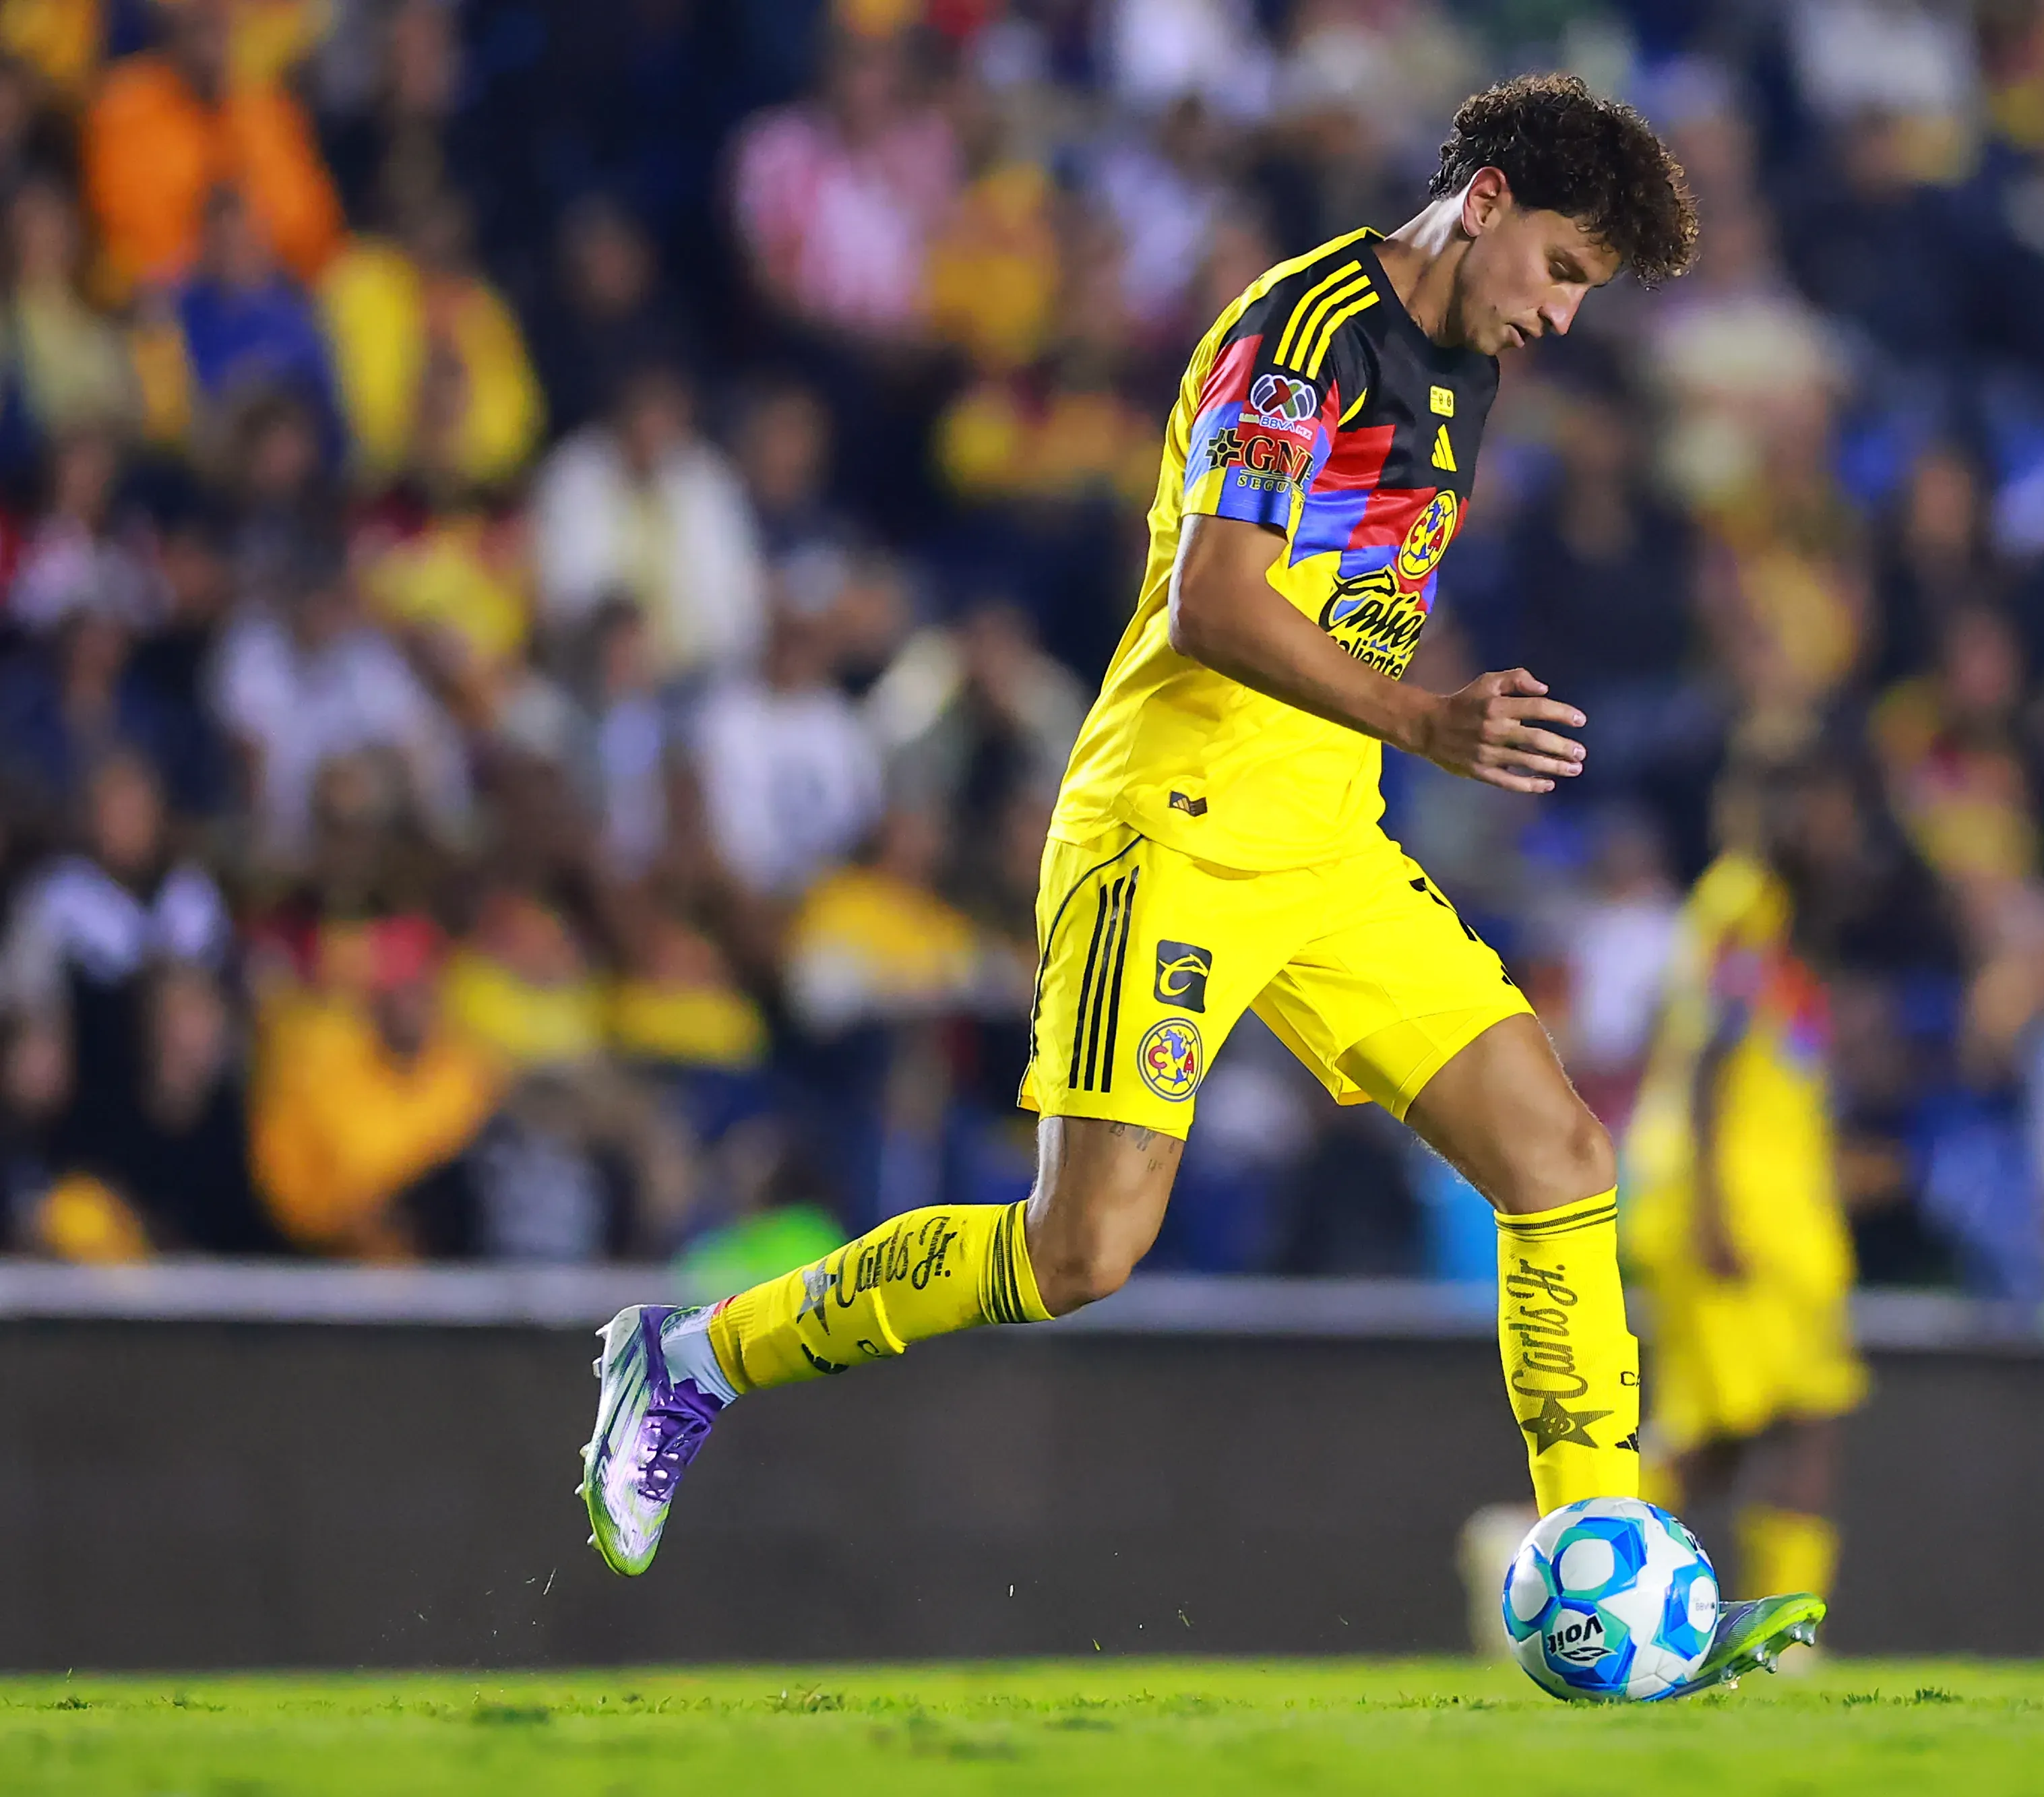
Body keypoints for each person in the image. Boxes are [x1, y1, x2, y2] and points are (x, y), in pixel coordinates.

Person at [578, 73, 1818, 1691]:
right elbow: (1212, 601)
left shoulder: (1462, 366)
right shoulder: (1298, 333)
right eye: (1568, 271)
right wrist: (1426, 717)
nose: (1564, 319)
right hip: (1167, 823)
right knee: (1080, 1252)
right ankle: (686, 1356)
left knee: (1557, 1151)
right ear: (1491, 201)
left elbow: (1339, 592)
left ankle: (1608, 1575)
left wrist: (1394, 732)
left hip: (1325, 837)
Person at [1622, 751, 1872, 1643]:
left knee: (1739, 1437)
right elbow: (1705, 1062)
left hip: (1779, 1202)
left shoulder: (1780, 917)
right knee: (1764, 1427)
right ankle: (1568, 1565)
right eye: (1826, 805)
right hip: (1732, 1200)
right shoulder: (1743, 910)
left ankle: (1578, 1563)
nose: (1843, 825)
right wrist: (1711, 1210)